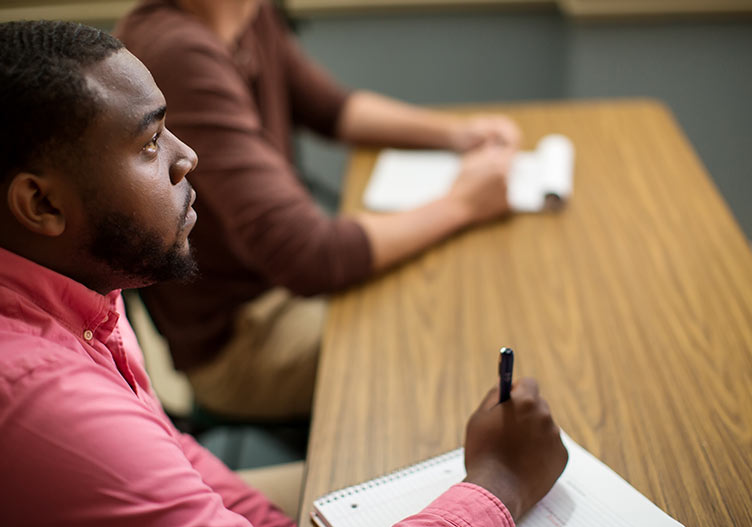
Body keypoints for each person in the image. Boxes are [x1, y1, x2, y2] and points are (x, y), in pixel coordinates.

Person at [0, 20, 567, 527]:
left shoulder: (80, 292)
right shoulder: (40, 398)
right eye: (151, 141)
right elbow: (308, 252)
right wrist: (499, 487)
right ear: (40, 205)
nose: (187, 159)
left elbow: (171, 451)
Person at [115, 0, 522, 420]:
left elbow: (332, 109)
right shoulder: (177, 52)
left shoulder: (247, 15)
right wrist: (463, 204)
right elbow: (310, 255)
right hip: (243, 336)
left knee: (452, 293)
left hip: (282, 292)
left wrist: (459, 135)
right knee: (440, 336)